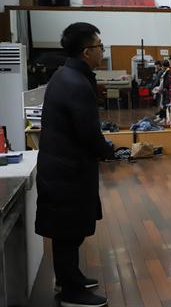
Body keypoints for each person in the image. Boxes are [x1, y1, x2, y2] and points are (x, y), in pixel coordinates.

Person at [35, 22, 112, 307]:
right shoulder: (76, 83)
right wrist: (108, 151)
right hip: (67, 171)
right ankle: (70, 292)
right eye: (99, 46)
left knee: (69, 230)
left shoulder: (65, 74)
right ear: (86, 52)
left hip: (63, 168)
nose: (102, 51)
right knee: (68, 230)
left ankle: (70, 278)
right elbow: (88, 132)